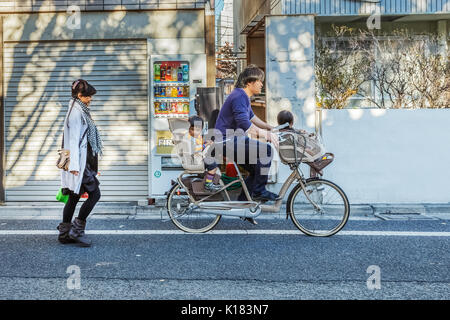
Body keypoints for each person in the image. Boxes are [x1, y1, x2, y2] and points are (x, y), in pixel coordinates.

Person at [214, 65, 279, 224]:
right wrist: (265, 135)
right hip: (227, 140)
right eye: (260, 81)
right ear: (250, 82)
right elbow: (244, 123)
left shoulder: (242, 96)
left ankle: (244, 205)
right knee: (267, 150)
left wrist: (269, 127)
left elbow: (251, 118)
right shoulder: (239, 96)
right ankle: (259, 191)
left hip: (232, 140)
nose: (262, 84)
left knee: (255, 169)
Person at [57, 79, 103, 247]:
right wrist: (75, 167)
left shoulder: (78, 109)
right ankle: (76, 230)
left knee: (74, 196)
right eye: (88, 96)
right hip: (80, 164)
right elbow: (74, 140)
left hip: (83, 162)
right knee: (95, 194)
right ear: (79, 95)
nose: (90, 99)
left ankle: (64, 234)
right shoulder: (76, 113)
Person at [185, 115, 221, 192]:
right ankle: (208, 184)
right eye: (192, 129)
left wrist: (206, 142)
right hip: (196, 160)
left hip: (196, 158)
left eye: (198, 130)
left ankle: (210, 181)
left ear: (201, 129)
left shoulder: (194, 137)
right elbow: (196, 148)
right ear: (188, 129)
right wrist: (206, 145)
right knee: (213, 165)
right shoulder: (191, 138)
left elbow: (200, 143)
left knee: (213, 162)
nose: (195, 132)